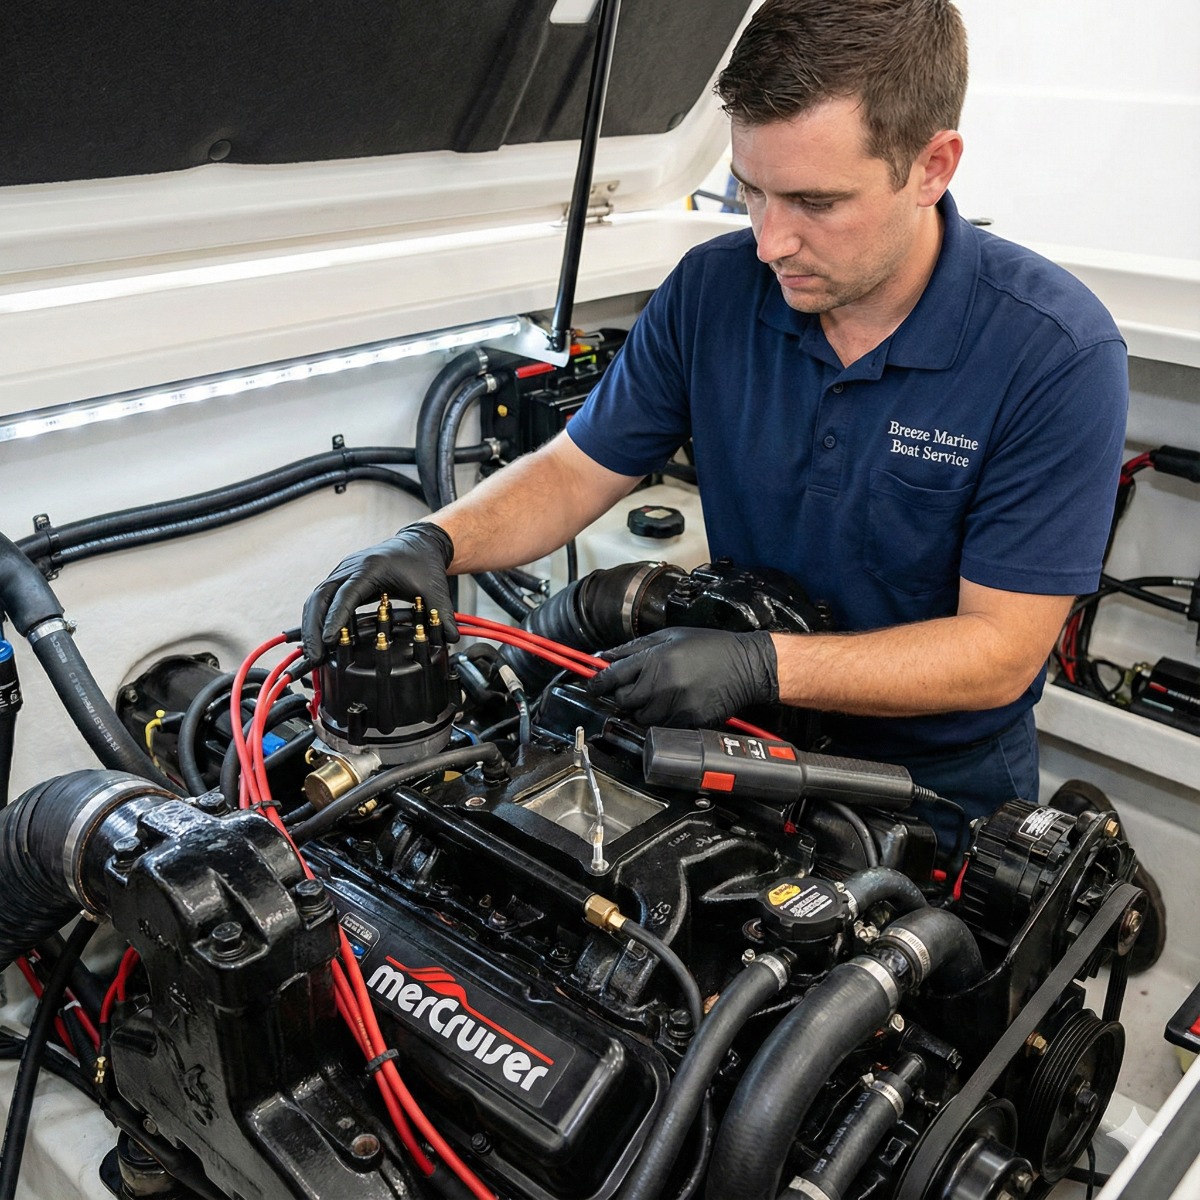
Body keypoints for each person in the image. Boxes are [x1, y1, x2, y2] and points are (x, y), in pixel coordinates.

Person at [303, 0, 1128, 846]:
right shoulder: (713, 289)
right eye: (751, 191)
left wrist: (760, 661)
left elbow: (1001, 650)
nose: (771, 242)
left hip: (931, 790)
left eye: (815, 201)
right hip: (736, 747)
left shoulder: (1054, 353)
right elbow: (575, 470)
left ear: (932, 166)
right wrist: (433, 543)